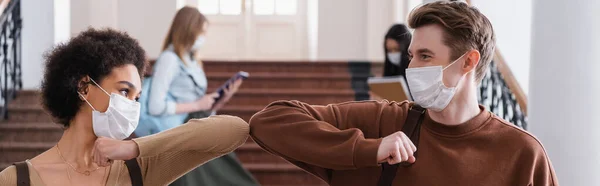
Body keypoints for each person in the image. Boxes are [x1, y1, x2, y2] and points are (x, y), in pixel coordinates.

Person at [249, 1, 557, 186]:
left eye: (425, 56)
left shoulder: (523, 154)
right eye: (412, 56)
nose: (412, 67)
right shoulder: (385, 122)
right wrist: (370, 150)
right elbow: (270, 121)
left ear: (468, 61)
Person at [0, 28, 249, 185]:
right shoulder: (17, 179)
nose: (131, 105)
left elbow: (235, 130)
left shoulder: (140, 168)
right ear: (84, 87)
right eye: (123, 91)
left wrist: (133, 147)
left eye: (136, 98)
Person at [137, 7, 257, 186]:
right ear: (188, 30)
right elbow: (156, 106)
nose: (203, 38)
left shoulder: (192, 60)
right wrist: (198, 104)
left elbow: (200, 105)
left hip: (198, 123)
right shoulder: (169, 59)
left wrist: (220, 99)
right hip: (182, 129)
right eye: (201, 32)